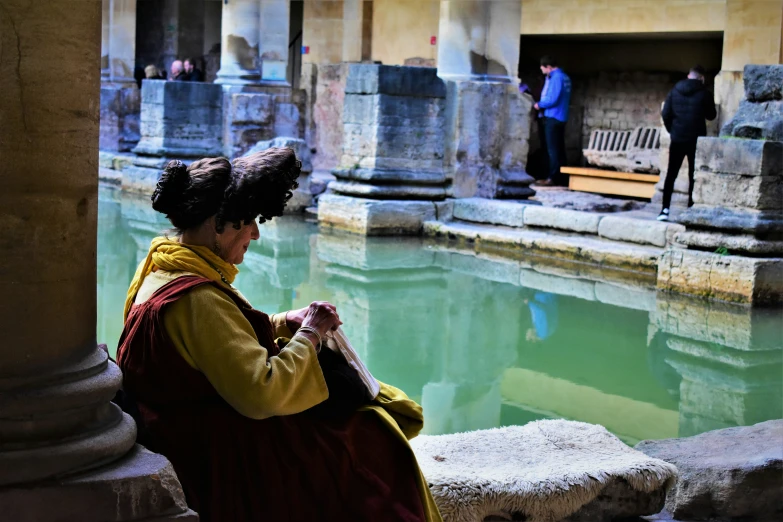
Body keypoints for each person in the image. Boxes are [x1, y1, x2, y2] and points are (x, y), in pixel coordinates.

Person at [116, 148, 441, 522]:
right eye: (247, 221)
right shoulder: (197, 297)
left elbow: (219, 342)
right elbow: (262, 391)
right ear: (216, 222)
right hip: (216, 452)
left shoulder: (163, 263)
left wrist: (287, 321)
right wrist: (312, 334)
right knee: (373, 435)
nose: (254, 232)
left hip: (183, 427)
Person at [658, 65, 717, 221]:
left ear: (688, 75)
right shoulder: (704, 93)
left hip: (677, 138)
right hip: (695, 139)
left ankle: (664, 210)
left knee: (671, 174)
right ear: (701, 78)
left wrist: (673, 130)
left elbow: (665, 113)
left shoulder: (675, 90)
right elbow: (712, 115)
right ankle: (690, 208)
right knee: (693, 175)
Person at [533, 56, 572, 187]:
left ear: (549, 66)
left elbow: (552, 99)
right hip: (561, 116)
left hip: (553, 116)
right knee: (559, 148)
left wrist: (539, 104)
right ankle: (562, 177)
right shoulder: (565, 77)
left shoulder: (556, 78)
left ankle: (552, 178)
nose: (542, 70)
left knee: (552, 149)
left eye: (543, 68)